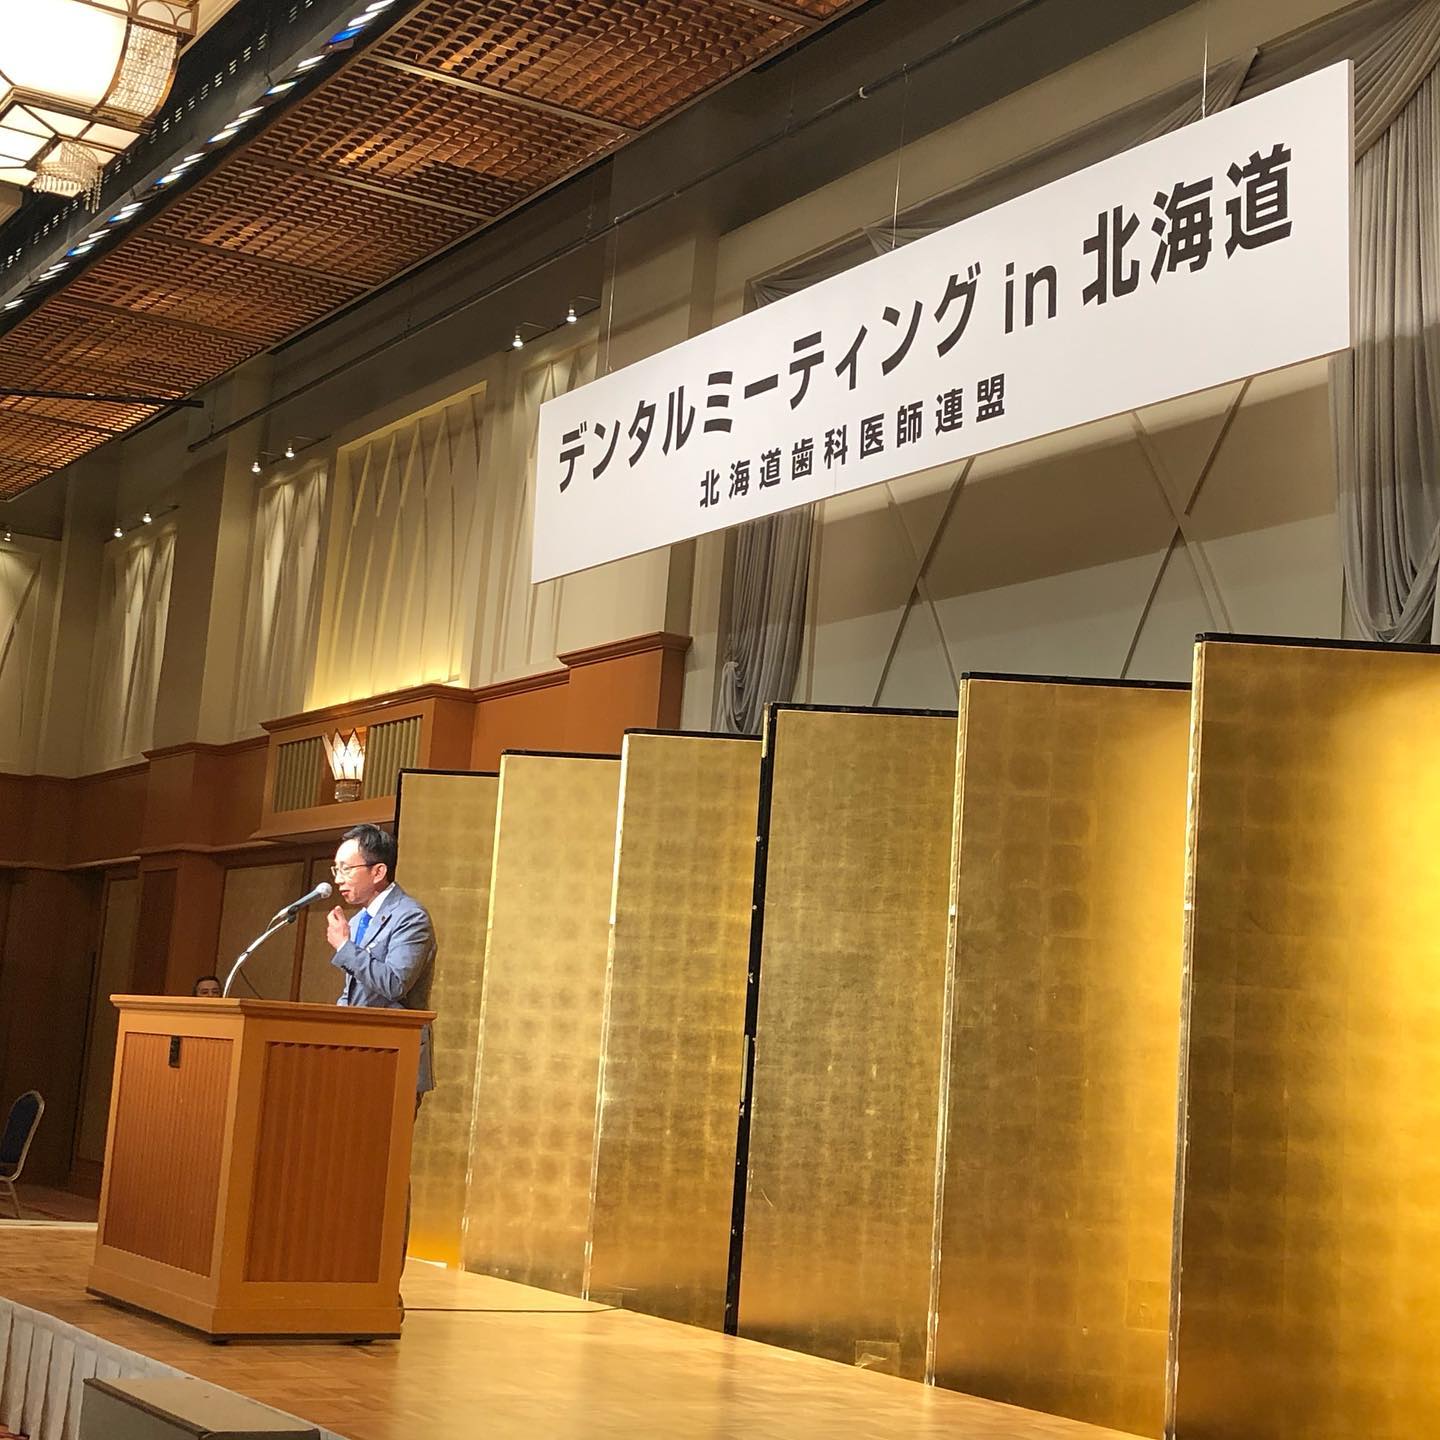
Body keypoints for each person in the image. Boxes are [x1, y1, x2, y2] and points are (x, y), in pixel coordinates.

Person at [324, 823, 436, 1103]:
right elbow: (353, 993)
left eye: (346, 869)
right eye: (336, 870)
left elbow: (395, 983)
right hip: (354, 1052)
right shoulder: (357, 921)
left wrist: (345, 948)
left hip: (394, 1053)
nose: (338, 879)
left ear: (378, 872)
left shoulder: (411, 917)